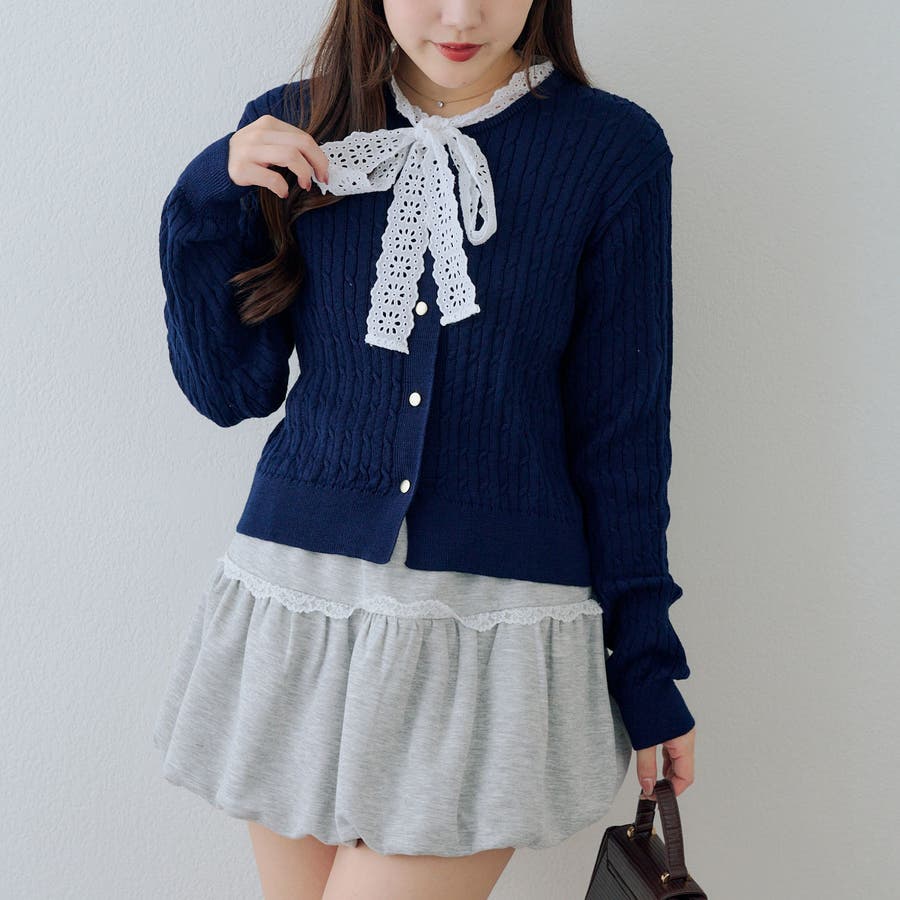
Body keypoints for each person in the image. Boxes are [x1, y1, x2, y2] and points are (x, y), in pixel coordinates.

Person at [152, 0, 698, 896]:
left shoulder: (611, 149)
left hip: (488, 629)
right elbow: (230, 391)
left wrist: (645, 670)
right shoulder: (296, 126)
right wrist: (210, 191)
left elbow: (623, 434)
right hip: (300, 607)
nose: (460, 14)